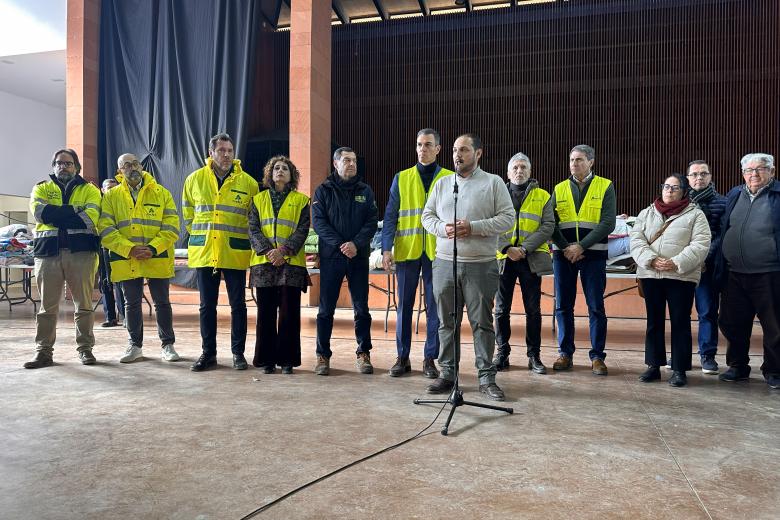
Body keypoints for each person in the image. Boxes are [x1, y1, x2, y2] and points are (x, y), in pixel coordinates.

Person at [421, 133, 514, 401]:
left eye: (463, 150)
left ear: (478, 153)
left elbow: (508, 218)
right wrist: (443, 228)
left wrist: (474, 227)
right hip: (444, 264)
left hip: (480, 265)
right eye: (454, 150)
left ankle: (486, 377)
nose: (457, 155)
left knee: (482, 324)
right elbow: (427, 216)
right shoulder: (443, 184)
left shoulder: (493, 183)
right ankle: (447, 374)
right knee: (446, 323)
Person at [182, 133, 259, 371]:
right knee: (207, 306)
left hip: (235, 251)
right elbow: (188, 215)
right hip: (205, 251)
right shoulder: (194, 179)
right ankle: (208, 354)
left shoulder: (249, 183)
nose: (226, 155)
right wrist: (201, 236)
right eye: (221, 150)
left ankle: (238, 353)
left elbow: (254, 220)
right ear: (211, 153)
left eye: (229, 151)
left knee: (239, 305)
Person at [381, 128, 454, 378]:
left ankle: (429, 358)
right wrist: (386, 249)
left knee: (435, 308)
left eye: (428, 144)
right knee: (404, 306)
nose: (422, 149)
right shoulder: (401, 178)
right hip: (407, 250)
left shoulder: (450, 178)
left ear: (438, 149)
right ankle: (402, 358)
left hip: (439, 252)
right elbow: (390, 216)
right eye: (419, 144)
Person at [98, 153, 180, 363]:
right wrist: (130, 249)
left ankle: (168, 345)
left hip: (157, 256)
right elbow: (105, 229)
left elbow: (172, 226)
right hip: (127, 258)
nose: (132, 168)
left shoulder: (161, 193)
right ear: (120, 171)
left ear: (141, 167)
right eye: (126, 165)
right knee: (131, 303)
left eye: (135, 163)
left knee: (162, 303)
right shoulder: (111, 196)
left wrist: (152, 248)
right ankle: (135, 346)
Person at [630, 174, 710, 387]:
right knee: (653, 321)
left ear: (684, 191)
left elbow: (701, 244)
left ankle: (679, 369)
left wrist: (676, 262)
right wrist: (651, 260)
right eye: (666, 186)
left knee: (680, 322)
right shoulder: (647, 213)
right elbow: (636, 240)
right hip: (651, 274)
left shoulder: (696, 215)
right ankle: (653, 366)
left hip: (680, 276)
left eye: (675, 187)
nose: (669, 190)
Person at [24, 148, 101, 368]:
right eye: (59, 163)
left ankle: (85, 349)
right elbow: (41, 214)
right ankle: (43, 352)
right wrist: (74, 210)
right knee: (47, 308)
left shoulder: (90, 190)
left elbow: (90, 218)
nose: (63, 167)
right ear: (53, 166)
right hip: (48, 254)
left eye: (68, 163)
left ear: (77, 167)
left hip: (82, 254)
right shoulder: (41, 188)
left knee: (84, 306)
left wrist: (56, 213)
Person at [715, 153, 780, 390]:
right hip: (734, 274)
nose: (754, 174)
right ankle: (738, 366)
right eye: (748, 170)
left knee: (775, 327)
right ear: (743, 173)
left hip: (770, 273)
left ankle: (774, 370)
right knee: (732, 323)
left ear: (772, 171)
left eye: (760, 169)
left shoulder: (778, 194)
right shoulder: (734, 194)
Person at [550, 144, 616, 375]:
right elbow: (550, 223)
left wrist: (581, 246)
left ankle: (597, 356)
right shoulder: (559, 188)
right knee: (562, 306)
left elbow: (608, 222)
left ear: (591, 162)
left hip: (593, 255)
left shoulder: (605, 186)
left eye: (579, 160)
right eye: (571, 160)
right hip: (563, 256)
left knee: (596, 306)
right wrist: (565, 247)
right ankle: (565, 353)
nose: (574, 164)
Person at [312, 147, 378, 376]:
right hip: (331, 257)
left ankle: (364, 353)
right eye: (346, 160)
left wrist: (355, 244)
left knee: (361, 308)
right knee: (325, 310)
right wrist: (342, 244)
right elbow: (319, 223)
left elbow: (371, 222)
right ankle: (322, 356)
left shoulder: (365, 191)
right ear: (335, 164)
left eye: (354, 161)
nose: (351, 164)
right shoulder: (323, 191)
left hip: (358, 257)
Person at [248, 156, 311, 374]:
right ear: (270, 173)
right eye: (276, 168)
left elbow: (303, 230)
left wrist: (282, 252)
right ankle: (266, 360)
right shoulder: (257, 199)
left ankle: (287, 361)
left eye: (285, 168)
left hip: (290, 264)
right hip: (264, 263)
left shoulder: (302, 201)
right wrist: (269, 252)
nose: (280, 171)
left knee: (289, 314)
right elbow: (253, 229)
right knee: (265, 314)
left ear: (291, 175)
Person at [493, 152, 554, 374]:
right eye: (515, 167)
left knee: (533, 310)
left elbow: (548, 226)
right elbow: (490, 225)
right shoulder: (496, 194)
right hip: (504, 259)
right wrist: (507, 249)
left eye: (523, 167)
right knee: (501, 309)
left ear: (530, 171)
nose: (519, 171)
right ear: (508, 173)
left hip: (531, 258)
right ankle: (502, 353)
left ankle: (534, 356)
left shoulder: (543, 196)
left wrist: (524, 248)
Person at [686, 160, 727, 374]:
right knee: (680, 313)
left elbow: (721, 235)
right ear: (688, 179)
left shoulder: (723, 202)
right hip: (682, 267)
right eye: (694, 174)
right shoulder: (680, 202)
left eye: (703, 173)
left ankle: (707, 355)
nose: (699, 178)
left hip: (707, 267)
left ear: (710, 177)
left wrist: (701, 258)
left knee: (707, 312)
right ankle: (681, 355)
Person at [98, 177, 126, 328]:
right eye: (109, 188)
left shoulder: (123, 204)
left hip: (118, 247)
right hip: (102, 248)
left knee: (121, 282)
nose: (112, 191)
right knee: (104, 282)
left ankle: (125, 317)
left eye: (115, 188)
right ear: (103, 190)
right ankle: (110, 317)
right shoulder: (97, 205)